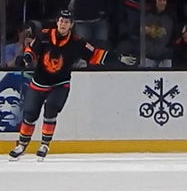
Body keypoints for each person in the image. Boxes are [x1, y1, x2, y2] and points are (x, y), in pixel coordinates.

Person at [10, 10, 136, 161]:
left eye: (67, 22)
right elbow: (32, 50)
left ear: (71, 25)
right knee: (30, 114)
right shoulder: (44, 35)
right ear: (57, 22)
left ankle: (44, 144)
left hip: (60, 83)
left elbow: (95, 54)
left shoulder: (77, 42)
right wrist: (25, 59)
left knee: (51, 108)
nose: (63, 24)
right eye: (61, 21)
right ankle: (22, 146)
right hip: (39, 82)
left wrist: (118, 57)